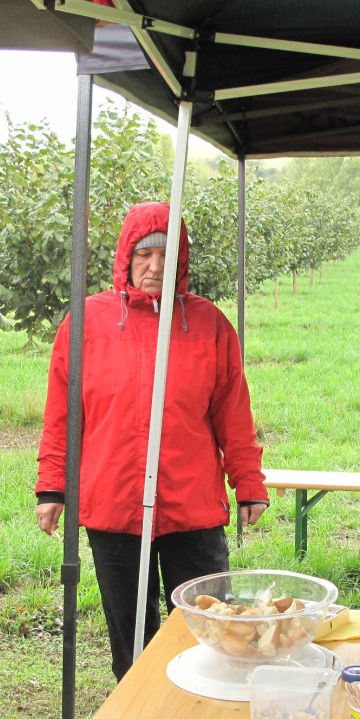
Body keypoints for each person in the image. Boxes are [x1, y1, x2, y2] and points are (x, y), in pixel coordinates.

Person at [34, 201, 268, 680]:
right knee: (131, 637)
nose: (155, 266)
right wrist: (52, 487)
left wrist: (248, 481)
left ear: (181, 261)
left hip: (192, 509)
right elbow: (62, 413)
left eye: (167, 255)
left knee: (209, 631)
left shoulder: (208, 324)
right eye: (144, 254)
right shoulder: (87, 322)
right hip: (115, 507)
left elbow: (233, 414)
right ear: (126, 257)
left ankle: (206, 716)